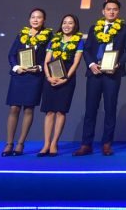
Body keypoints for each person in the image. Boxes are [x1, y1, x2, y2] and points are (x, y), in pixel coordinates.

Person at [74, 0, 126, 156]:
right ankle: (86, 144)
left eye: (115, 9)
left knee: (110, 108)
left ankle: (107, 144)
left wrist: (117, 64)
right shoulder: (94, 28)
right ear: (103, 11)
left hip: (112, 73)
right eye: (109, 9)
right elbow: (87, 50)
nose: (111, 11)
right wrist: (91, 64)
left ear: (118, 11)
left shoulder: (125, 29)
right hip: (94, 72)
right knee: (90, 108)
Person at [3, 8, 51, 156]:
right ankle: (9, 143)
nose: (35, 20)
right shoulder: (21, 35)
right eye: (33, 17)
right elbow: (11, 55)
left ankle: (20, 144)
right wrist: (16, 67)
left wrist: (39, 67)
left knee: (29, 109)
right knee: (14, 108)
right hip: (19, 76)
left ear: (44, 20)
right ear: (29, 19)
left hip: (35, 77)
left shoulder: (49, 37)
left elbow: (50, 57)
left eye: (39, 17)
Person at [38, 14, 83, 156]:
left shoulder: (79, 41)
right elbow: (46, 61)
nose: (67, 25)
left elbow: (76, 63)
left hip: (67, 79)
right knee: (49, 111)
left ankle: (54, 143)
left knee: (60, 111)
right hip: (51, 77)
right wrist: (48, 77)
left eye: (70, 23)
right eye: (64, 22)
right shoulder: (54, 40)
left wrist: (65, 78)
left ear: (75, 25)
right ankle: (46, 144)